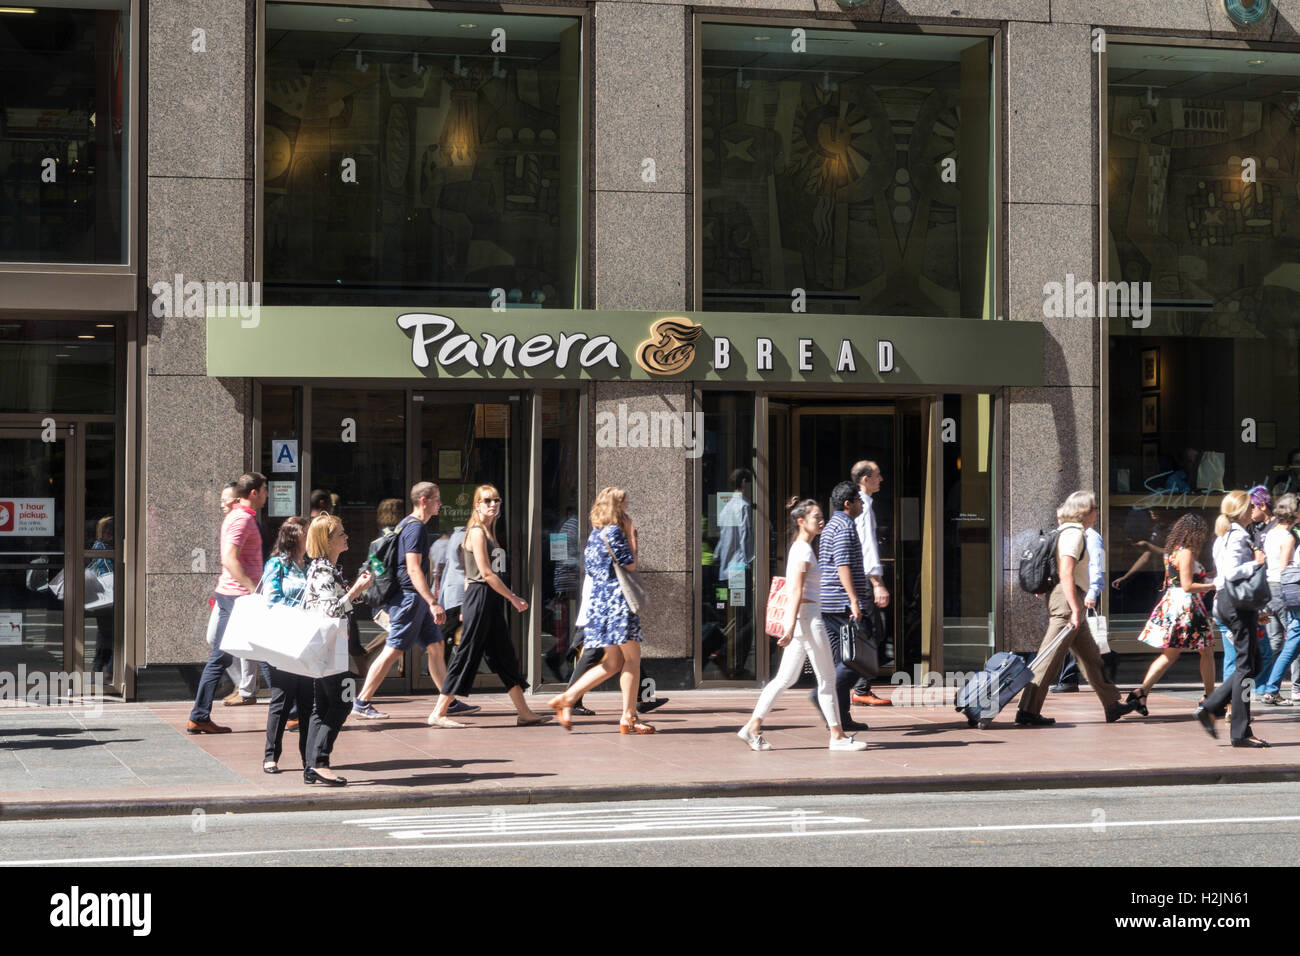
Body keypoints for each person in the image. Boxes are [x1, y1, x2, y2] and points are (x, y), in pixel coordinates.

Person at [738, 498, 866, 752]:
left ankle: (752, 727)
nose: (821, 520)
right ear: (800, 521)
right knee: (827, 678)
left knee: (785, 678)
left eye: (821, 516)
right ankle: (837, 737)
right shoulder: (803, 550)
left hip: (803, 619)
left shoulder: (801, 548)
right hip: (808, 618)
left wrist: (791, 624)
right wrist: (789, 625)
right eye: (815, 517)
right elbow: (795, 590)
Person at [426, 485, 550, 727]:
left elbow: (467, 575)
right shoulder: (477, 533)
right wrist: (513, 598)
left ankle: (524, 713)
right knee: (467, 655)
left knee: (504, 656)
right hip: (481, 596)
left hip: (485, 600)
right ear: (477, 505)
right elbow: (485, 573)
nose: (493, 504)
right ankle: (438, 713)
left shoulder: (488, 532)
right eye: (487, 500)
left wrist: (464, 608)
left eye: (497, 500)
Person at [352, 483, 475, 720]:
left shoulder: (407, 525)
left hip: (414, 599)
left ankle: (447, 700)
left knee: (436, 646)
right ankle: (362, 701)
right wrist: (432, 601)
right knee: (393, 650)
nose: (440, 504)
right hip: (409, 599)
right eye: (437, 499)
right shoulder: (415, 528)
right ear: (424, 501)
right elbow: (413, 568)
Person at [1014, 491, 1135, 727]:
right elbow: (1065, 572)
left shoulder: (1067, 532)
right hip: (1067, 600)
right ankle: (1027, 710)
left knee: (1091, 657)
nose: (1097, 512)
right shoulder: (1074, 535)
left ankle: (1112, 705)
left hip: (1070, 598)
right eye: (1094, 508)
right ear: (1084, 512)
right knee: (1048, 658)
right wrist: (1075, 608)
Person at [548, 486, 653, 734]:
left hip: (600, 604)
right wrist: (631, 535)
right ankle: (628, 716)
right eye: (625, 504)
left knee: (612, 662)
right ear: (618, 507)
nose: (627, 508)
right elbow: (630, 564)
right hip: (618, 603)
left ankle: (569, 697)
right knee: (631, 660)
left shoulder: (596, 534)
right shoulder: (615, 532)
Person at [187, 473, 268, 734]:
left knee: (222, 657)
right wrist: (253, 589)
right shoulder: (241, 519)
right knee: (267, 652)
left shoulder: (239, 517)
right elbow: (229, 559)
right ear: (253, 493)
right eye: (265, 490)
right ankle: (291, 712)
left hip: (232, 595)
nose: (267, 495)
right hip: (238, 597)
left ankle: (199, 716)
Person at [300, 515, 373, 785]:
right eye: (341, 534)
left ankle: (312, 765)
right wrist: (355, 590)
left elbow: (338, 603)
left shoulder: (327, 568)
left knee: (324, 706)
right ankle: (319, 761)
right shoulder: (322, 570)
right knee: (343, 701)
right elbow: (330, 610)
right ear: (328, 540)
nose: (346, 537)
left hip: (330, 648)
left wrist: (358, 588)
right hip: (328, 648)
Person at [1195, 490, 1269, 747]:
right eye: (1250, 507)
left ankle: (1212, 706)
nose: (1254, 510)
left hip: (1231, 603)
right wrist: (1257, 563)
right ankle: (1241, 731)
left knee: (1253, 666)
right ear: (1241, 511)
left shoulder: (1225, 536)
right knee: (1247, 669)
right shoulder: (1237, 536)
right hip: (1236, 604)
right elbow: (1232, 572)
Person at [1126, 514, 1216, 714]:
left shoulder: (1173, 551)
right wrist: (1213, 584)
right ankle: (1210, 698)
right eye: (1201, 532)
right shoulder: (1186, 553)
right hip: (1187, 606)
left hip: (1174, 604)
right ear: (1194, 533)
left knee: (1171, 654)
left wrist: (1209, 576)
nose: (1203, 537)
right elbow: (1187, 585)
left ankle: (1141, 692)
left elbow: (1179, 581)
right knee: (1206, 650)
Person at [816, 481, 871, 734]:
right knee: (855, 660)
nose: (862, 504)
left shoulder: (830, 526)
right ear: (848, 503)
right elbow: (843, 565)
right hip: (840, 604)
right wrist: (854, 600)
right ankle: (821, 695)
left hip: (829, 602)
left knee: (842, 658)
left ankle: (840, 716)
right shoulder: (845, 527)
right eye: (859, 500)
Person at [261, 520, 312, 774]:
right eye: (307, 534)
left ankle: (308, 758)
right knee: (281, 700)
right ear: (295, 538)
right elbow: (270, 600)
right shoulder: (277, 564)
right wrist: (298, 613)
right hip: (284, 641)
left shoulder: (312, 565)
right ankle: (271, 755)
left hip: (307, 641)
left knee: (306, 701)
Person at [1051, 509, 1119, 692]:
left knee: (1073, 640)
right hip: (1069, 592)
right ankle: (1106, 694)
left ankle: (1069, 678)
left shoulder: (1090, 536)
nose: (1059, 520)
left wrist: (1093, 592)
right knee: (1081, 643)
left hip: (1081, 593)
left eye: (1061, 516)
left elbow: (1097, 564)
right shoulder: (1067, 535)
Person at [849, 460, 892, 706]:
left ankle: (858, 686)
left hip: (859, 578)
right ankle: (858, 687)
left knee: (869, 632)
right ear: (865, 479)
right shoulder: (862, 506)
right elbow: (868, 547)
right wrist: (877, 583)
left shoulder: (861, 505)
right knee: (873, 633)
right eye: (877, 475)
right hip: (865, 579)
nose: (881, 479)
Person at [1256, 493, 1300, 706]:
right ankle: (1272, 688)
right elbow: (1286, 570)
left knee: (1282, 639)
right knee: (1294, 637)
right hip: (1285, 589)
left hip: (1270, 587)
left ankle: (1268, 686)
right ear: (1294, 512)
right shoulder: (1288, 537)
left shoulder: (1272, 533)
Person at [713, 468, 755, 679]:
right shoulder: (744, 506)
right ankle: (730, 660)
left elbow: (722, 541)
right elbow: (745, 537)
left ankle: (728, 658)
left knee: (736, 618)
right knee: (746, 620)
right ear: (745, 482)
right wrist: (752, 563)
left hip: (726, 569)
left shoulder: (726, 507)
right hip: (739, 568)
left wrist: (718, 560)